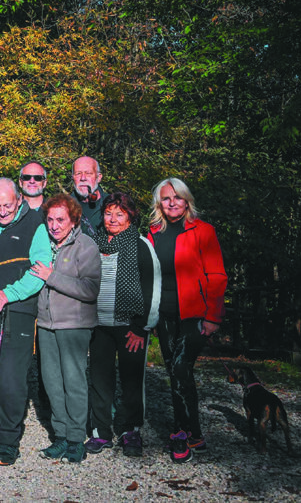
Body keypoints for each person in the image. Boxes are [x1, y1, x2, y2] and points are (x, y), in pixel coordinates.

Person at [0, 194, 101, 464]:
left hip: (74, 325)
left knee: (73, 382)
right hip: (46, 324)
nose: (54, 225)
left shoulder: (85, 246)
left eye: (60, 220)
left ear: (74, 220)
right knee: (52, 382)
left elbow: (90, 289)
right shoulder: (46, 244)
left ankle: (77, 439)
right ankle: (61, 436)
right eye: (50, 219)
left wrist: (51, 276)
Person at [0, 179, 53, 466]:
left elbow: (41, 271)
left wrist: (11, 293)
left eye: (7, 205)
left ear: (19, 200)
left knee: (11, 378)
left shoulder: (36, 224)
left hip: (15, 310)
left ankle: (8, 441)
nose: (2, 211)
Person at [147, 178, 227, 463]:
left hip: (194, 314)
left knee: (181, 369)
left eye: (177, 198)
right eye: (166, 198)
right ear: (159, 203)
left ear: (186, 200)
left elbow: (217, 275)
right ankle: (195, 433)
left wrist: (214, 316)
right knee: (176, 372)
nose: (172, 203)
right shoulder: (153, 233)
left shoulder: (203, 231)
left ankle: (181, 432)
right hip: (164, 314)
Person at [87, 192, 162, 458]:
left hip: (130, 326)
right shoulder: (92, 243)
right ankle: (101, 432)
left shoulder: (141, 245)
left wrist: (143, 327)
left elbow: (153, 287)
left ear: (130, 217)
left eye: (120, 214)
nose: (113, 219)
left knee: (132, 381)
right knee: (99, 379)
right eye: (109, 213)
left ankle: (131, 430)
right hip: (98, 325)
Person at [72, 156, 106, 230]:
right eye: (78, 173)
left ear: (99, 177)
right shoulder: (64, 207)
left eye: (88, 173)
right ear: (73, 177)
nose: (83, 178)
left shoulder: (113, 205)